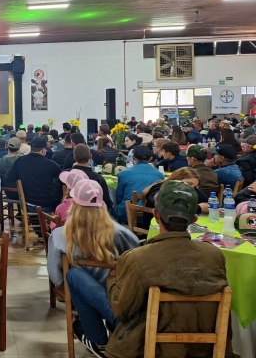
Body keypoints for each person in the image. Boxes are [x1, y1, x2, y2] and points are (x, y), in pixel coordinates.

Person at [104, 181, 229, 357]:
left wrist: (111, 277)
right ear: (194, 219)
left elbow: (121, 310)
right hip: (202, 350)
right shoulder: (215, 255)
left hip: (147, 348)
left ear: (155, 214)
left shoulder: (137, 259)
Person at [47, 181, 139, 350]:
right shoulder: (122, 233)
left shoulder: (59, 235)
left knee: (73, 276)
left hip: (80, 294)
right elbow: (136, 261)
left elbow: (56, 278)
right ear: (102, 204)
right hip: (117, 293)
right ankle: (117, 325)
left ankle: (99, 340)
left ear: (73, 204)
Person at [5, 136, 62, 212]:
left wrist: (22, 186)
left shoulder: (20, 161)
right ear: (42, 150)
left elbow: (8, 178)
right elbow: (62, 178)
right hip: (47, 205)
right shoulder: (50, 164)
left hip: (27, 204)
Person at [113, 146, 163, 223]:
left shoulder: (123, 174)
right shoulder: (159, 175)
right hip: (150, 214)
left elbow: (119, 198)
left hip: (127, 212)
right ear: (150, 158)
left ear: (133, 157)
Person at [70, 144, 113, 209]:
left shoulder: (68, 176)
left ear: (74, 157)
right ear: (90, 156)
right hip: (95, 214)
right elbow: (106, 202)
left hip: (73, 211)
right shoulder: (97, 178)